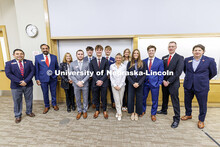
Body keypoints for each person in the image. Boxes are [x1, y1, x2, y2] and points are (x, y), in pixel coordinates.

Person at [181, 44, 217, 129]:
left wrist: (203, 79)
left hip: (202, 86)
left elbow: (213, 72)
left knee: (202, 104)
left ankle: (201, 120)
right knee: (187, 101)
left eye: (199, 50)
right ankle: (188, 114)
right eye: (195, 50)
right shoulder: (187, 60)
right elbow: (185, 70)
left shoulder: (209, 60)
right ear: (192, 51)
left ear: (203, 51)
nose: (197, 52)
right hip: (188, 85)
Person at [157, 41, 184, 128]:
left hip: (173, 83)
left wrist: (168, 81)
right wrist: (163, 80)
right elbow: (162, 70)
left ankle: (176, 119)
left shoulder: (180, 58)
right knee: (165, 97)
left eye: (172, 46)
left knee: (175, 100)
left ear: (176, 47)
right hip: (164, 82)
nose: (171, 48)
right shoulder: (164, 57)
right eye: (169, 46)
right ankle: (164, 110)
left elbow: (178, 72)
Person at [5, 49, 35, 123]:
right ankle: (18, 115)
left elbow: (32, 72)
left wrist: (26, 81)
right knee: (17, 101)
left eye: (21, 54)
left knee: (29, 99)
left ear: (23, 55)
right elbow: (8, 74)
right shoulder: (9, 63)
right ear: (14, 55)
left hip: (28, 84)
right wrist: (19, 81)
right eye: (17, 54)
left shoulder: (29, 62)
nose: (19, 55)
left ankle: (29, 112)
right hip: (16, 86)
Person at [35, 44, 59, 114]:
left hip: (53, 78)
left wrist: (56, 75)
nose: (45, 50)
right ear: (41, 49)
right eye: (43, 48)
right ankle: (46, 106)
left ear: (48, 49)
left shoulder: (54, 57)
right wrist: (37, 79)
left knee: (53, 92)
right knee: (45, 93)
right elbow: (36, 69)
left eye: (46, 48)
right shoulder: (37, 57)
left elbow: (57, 67)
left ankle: (54, 104)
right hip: (43, 78)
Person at [142, 45, 164, 122]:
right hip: (145, 83)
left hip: (155, 84)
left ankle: (153, 114)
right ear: (147, 51)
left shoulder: (160, 61)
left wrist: (159, 83)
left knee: (155, 100)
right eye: (149, 50)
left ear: (154, 51)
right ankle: (143, 110)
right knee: (143, 98)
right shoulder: (143, 61)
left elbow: (161, 73)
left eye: (152, 50)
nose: (151, 52)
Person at [90, 45, 109, 119]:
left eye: (100, 50)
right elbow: (91, 72)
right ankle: (97, 110)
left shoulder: (105, 60)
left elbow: (107, 72)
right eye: (97, 50)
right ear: (95, 51)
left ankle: (104, 110)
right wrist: (97, 80)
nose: (99, 51)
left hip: (104, 82)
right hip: (95, 82)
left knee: (104, 97)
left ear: (102, 51)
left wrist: (101, 80)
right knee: (96, 97)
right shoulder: (92, 61)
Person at [70, 50, 90, 120]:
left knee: (85, 98)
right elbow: (71, 74)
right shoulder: (72, 63)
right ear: (76, 55)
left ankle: (84, 110)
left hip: (85, 84)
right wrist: (77, 82)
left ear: (83, 55)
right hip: (76, 85)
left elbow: (88, 74)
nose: (80, 55)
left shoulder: (87, 63)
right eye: (79, 54)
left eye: (81, 54)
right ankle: (79, 111)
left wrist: (82, 81)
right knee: (78, 98)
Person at [127, 49, 146, 121]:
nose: (135, 54)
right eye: (134, 53)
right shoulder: (129, 63)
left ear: (139, 54)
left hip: (139, 84)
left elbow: (144, 75)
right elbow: (127, 74)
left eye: (137, 53)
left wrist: (139, 83)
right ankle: (132, 113)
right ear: (132, 54)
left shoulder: (143, 63)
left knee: (139, 99)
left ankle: (137, 113)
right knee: (130, 98)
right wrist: (132, 83)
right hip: (131, 83)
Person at [110, 53, 126, 121]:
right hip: (114, 86)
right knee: (116, 99)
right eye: (117, 58)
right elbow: (111, 76)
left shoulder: (124, 66)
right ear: (115, 58)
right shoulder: (112, 66)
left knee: (120, 99)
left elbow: (124, 76)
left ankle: (118, 111)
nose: (118, 59)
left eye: (119, 58)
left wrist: (119, 85)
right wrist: (114, 85)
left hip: (122, 86)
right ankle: (119, 113)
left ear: (121, 59)